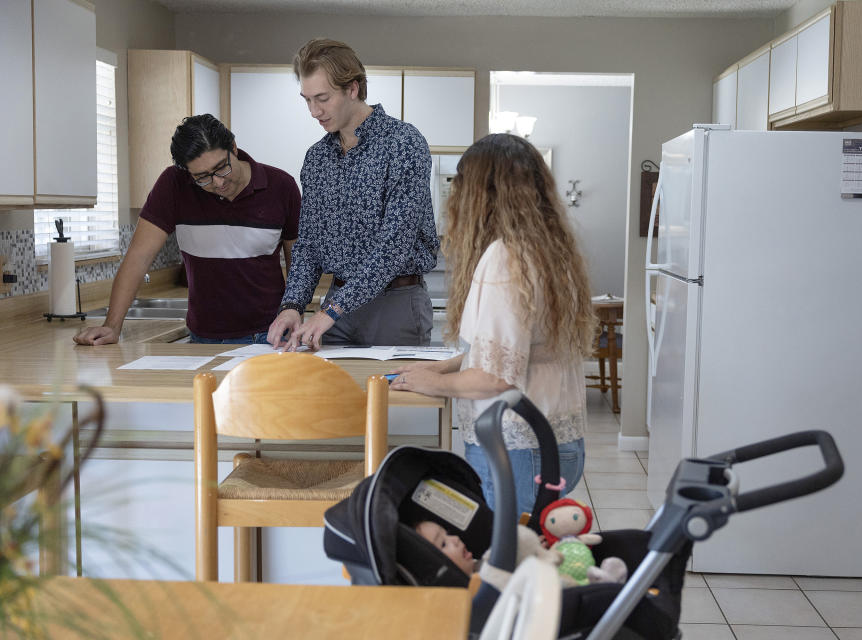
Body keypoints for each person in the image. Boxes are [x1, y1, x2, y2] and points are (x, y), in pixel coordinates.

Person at [390, 134, 596, 519]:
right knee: (531, 555)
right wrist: (443, 367)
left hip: (517, 448)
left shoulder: (505, 259)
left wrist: (430, 384)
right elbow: (519, 350)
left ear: (481, 194)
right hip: (556, 442)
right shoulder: (552, 249)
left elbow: (497, 377)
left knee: (509, 562)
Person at [267, 38, 439, 351]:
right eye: (306, 100)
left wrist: (331, 311)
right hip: (335, 307)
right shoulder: (317, 158)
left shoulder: (403, 143)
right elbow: (308, 244)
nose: (314, 111)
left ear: (353, 89)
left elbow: (395, 246)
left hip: (394, 305)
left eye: (322, 98)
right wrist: (292, 304)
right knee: (330, 398)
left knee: (395, 399)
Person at [74, 115, 301, 346]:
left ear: (233, 147)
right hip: (203, 338)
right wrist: (111, 327)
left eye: (221, 168)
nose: (218, 183)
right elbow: (138, 258)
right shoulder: (174, 185)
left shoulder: (281, 186)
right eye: (202, 177)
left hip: (268, 335)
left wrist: (296, 313)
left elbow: (299, 264)